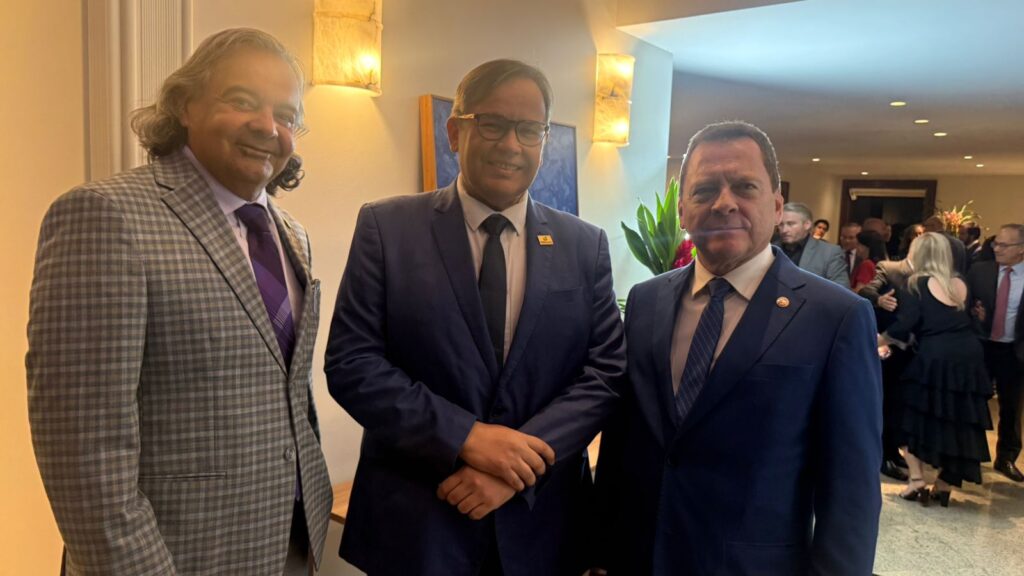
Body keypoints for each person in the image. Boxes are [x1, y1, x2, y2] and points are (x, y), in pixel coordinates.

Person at [26, 28, 332, 574]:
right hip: (173, 556)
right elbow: (83, 449)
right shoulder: (106, 215)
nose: (268, 127)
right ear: (185, 105)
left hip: (289, 542)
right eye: (243, 101)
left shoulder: (292, 236)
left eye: (286, 115)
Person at [324, 59, 626, 575]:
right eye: (492, 123)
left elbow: (605, 372)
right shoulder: (387, 227)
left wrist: (517, 467)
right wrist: (466, 437)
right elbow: (353, 364)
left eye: (528, 129)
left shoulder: (585, 244)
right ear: (455, 132)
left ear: (543, 140)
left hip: (542, 525)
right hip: (420, 522)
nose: (511, 144)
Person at [594, 121, 882, 575]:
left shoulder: (837, 317)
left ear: (776, 205)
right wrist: (602, 551)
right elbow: (623, 440)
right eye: (705, 189)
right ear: (682, 210)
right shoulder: (646, 301)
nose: (724, 202)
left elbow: (852, 491)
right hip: (641, 559)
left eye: (745, 187)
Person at [879, 233, 993, 506]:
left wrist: (879, 340)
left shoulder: (915, 283)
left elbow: (906, 323)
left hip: (935, 355)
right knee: (957, 417)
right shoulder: (961, 282)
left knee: (912, 414)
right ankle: (944, 484)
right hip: (969, 355)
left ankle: (917, 480)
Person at [967, 223, 1024, 482]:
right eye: (996, 243)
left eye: (1003, 245)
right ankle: (970, 454)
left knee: (1011, 406)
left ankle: (1006, 457)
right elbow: (965, 306)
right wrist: (978, 317)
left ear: (1021, 249)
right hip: (982, 346)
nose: (996, 248)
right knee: (974, 401)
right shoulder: (980, 271)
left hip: (1014, 351)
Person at [859, 248, 918, 482]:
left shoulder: (933, 274)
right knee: (887, 402)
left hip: (913, 350)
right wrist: (879, 299)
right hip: (889, 346)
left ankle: (893, 450)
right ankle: (883, 456)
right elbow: (866, 290)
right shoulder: (890, 268)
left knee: (901, 404)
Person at [775, 202, 850, 285]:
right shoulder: (770, 249)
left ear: (807, 225)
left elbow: (841, 288)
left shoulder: (829, 253)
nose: (784, 230)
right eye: (781, 224)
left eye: (790, 224)